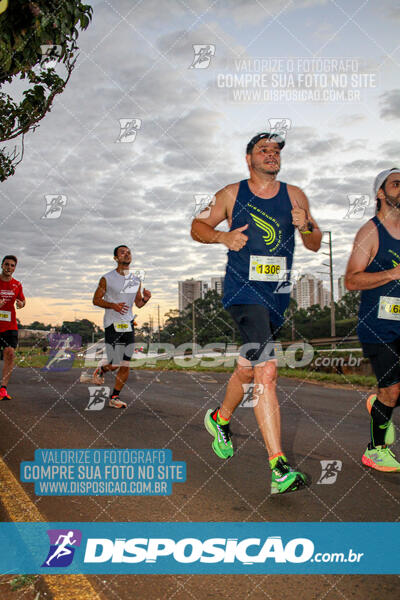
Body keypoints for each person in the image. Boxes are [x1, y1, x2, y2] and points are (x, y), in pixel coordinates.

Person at [191, 132, 322, 494]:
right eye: (263, 149)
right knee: (267, 368)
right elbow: (196, 226)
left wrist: (306, 225)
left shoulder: (295, 195)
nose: (271, 154)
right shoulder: (230, 194)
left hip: (277, 294)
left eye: (276, 150)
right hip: (243, 291)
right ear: (248, 159)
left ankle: (220, 419)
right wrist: (222, 237)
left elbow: (315, 243)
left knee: (249, 367)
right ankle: (279, 468)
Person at [345, 168, 400, 472]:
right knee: (392, 389)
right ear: (381, 193)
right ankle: (375, 450)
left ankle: (378, 403)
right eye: (396, 183)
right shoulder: (371, 232)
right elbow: (351, 280)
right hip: (378, 326)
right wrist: (392, 273)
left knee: (391, 392)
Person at [92, 245, 151, 408]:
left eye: (129, 252)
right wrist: (113, 305)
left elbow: (138, 304)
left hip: (128, 324)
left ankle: (114, 398)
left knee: (126, 363)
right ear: (116, 258)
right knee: (115, 362)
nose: (127, 254)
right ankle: (102, 369)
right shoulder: (107, 278)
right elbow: (96, 300)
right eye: (122, 252)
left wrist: (145, 299)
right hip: (112, 324)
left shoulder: (135, 280)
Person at [0, 255, 26, 401]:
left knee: (10, 353)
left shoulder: (17, 285)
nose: (9, 268)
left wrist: (21, 304)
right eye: (7, 264)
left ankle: (3, 389)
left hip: (9, 325)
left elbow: (23, 300)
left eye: (12, 266)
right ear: (2, 265)